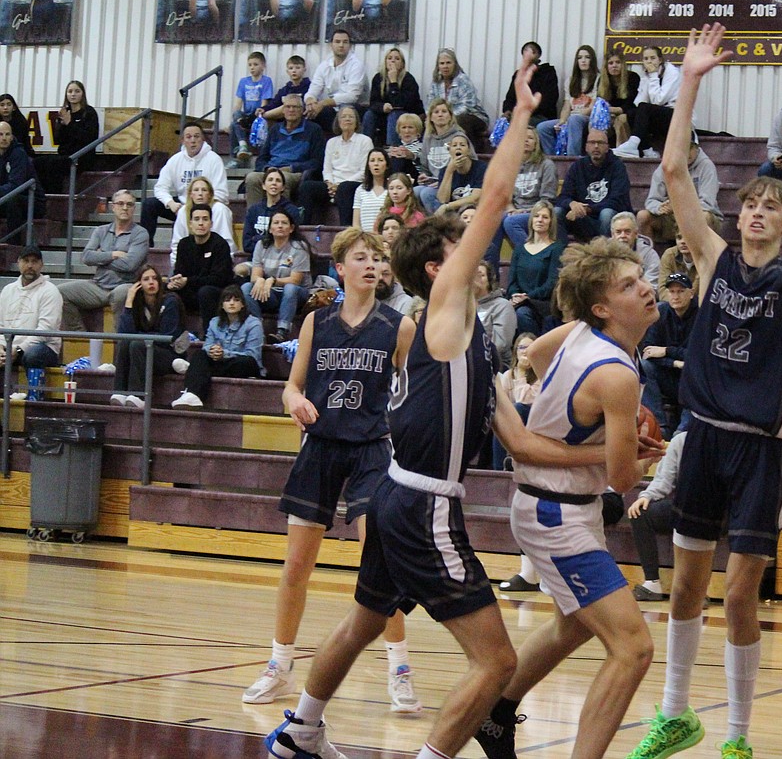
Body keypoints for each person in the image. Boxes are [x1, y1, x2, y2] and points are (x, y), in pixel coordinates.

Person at [263, 64, 631, 759]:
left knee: (365, 621)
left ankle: (302, 732)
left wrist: (607, 459)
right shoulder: (443, 311)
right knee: (494, 664)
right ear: (440, 268)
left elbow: (520, 443)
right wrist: (520, 116)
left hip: (404, 495)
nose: (478, 244)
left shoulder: (474, 352)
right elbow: (493, 197)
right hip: (425, 503)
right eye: (460, 242)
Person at [624, 24, 782, 759]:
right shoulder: (713, 256)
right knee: (687, 587)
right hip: (704, 436)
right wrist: (689, 80)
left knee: (738, 595)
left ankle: (737, 736)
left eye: (768, 207)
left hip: (762, 451)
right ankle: (674, 714)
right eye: (749, 204)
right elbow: (672, 168)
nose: (754, 212)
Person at [474, 238, 661, 759]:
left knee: (576, 623)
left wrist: (585, 423)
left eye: (641, 276)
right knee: (633, 648)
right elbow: (623, 479)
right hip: (556, 512)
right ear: (602, 308)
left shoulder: (581, 332)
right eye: (629, 285)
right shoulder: (616, 374)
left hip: (554, 504)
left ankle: (496, 712)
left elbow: (533, 354)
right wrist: (654, 456)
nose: (646, 287)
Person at [243, 228, 422, 719]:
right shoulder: (316, 322)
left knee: (377, 563)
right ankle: (280, 665)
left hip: (372, 450)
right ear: (340, 268)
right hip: (321, 447)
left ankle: (399, 669)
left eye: (377, 258)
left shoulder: (398, 326)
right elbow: (292, 386)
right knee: (296, 565)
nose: (371, 265)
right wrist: (296, 400)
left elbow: (412, 395)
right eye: (361, 258)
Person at [56, 190, 149, 332]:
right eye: (121, 203)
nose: (125, 207)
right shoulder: (101, 231)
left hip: (125, 284)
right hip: (98, 286)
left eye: (129, 204)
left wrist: (100, 257)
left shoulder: (140, 233)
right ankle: (80, 335)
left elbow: (130, 265)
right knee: (60, 292)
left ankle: (121, 339)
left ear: (134, 208)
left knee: (121, 294)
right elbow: (86, 257)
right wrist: (112, 255)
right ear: (113, 207)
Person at [171, 285, 264, 409]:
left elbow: (253, 355)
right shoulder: (215, 322)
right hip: (221, 362)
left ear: (243, 305)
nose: (232, 303)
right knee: (200, 354)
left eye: (236, 300)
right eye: (227, 300)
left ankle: (195, 370)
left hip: (245, 365)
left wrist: (223, 354)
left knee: (246, 362)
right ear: (222, 305)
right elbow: (208, 345)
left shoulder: (254, 324)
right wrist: (211, 350)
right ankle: (193, 395)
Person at [110, 266, 187, 409]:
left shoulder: (170, 301)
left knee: (137, 344)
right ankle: (120, 392)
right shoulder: (138, 303)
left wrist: (138, 337)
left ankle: (139, 395)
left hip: (170, 354)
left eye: (154, 279)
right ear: (138, 284)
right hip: (145, 352)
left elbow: (166, 338)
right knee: (127, 343)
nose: (151, 282)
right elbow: (123, 335)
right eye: (146, 279)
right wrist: (128, 303)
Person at [140, 122, 228, 247]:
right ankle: (145, 246)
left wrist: (202, 205)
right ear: (182, 141)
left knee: (218, 208)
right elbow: (160, 188)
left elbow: (222, 193)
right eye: (189, 137)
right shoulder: (175, 160)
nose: (193, 140)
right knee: (149, 204)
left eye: (196, 136)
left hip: (206, 206)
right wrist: (171, 203)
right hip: (181, 205)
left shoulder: (214, 159)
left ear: (202, 139)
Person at [627, 424, 689, 602]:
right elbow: (663, 479)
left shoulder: (729, 441)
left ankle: (697, 589)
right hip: (685, 507)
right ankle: (652, 583)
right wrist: (647, 495)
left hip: (721, 511)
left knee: (699, 516)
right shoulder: (681, 440)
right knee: (640, 512)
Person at [246, 94, 326, 221]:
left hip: (295, 172)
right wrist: (267, 169)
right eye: (288, 107)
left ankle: (282, 220)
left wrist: (291, 168)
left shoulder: (314, 130)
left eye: (295, 107)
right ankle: (255, 219)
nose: (291, 110)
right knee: (252, 178)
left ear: (302, 110)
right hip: (272, 170)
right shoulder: (274, 130)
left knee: (283, 180)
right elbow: (261, 158)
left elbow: (317, 161)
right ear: (283, 110)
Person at [490, 126, 558, 273]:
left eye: (530, 138)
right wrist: (510, 208)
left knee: (510, 222)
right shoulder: (511, 166)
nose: (526, 141)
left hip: (538, 210)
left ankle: (535, 257)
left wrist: (527, 210)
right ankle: (491, 272)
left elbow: (547, 200)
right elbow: (505, 195)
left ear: (536, 143)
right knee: (495, 219)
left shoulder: (546, 165)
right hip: (516, 210)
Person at [640, 271, 696, 440]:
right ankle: (659, 426)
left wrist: (666, 350)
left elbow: (698, 356)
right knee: (644, 365)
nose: (675, 296)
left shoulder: (701, 314)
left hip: (691, 378)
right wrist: (676, 363)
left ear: (691, 293)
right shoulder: (660, 312)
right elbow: (649, 352)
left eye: (680, 291)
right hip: (668, 374)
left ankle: (682, 432)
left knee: (697, 372)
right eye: (672, 291)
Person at [242, 207, 310, 344]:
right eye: (276, 223)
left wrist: (271, 281)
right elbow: (254, 276)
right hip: (270, 293)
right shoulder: (262, 245)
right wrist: (260, 281)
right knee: (246, 287)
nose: (280, 226)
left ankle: (282, 331)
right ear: (270, 228)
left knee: (290, 288)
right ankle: (258, 330)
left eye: (284, 223)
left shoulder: (299, 247)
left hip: (297, 294)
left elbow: (295, 280)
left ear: (291, 228)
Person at [640, 132, 722, 242]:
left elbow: (707, 204)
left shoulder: (706, 166)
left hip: (698, 216)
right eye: (683, 148)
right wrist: (660, 208)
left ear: (697, 148)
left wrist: (679, 207)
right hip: (672, 217)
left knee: (705, 217)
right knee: (643, 216)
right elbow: (651, 200)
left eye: (691, 148)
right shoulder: (665, 167)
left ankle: (701, 257)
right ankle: (648, 255)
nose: (687, 153)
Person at [167, 203, 234, 334]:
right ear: (190, 223)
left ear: (211, 223)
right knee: (169, 293)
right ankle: (173, 335)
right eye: (197, 219)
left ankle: (208, 334)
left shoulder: (220, 244)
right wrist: (175, 282)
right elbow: (179, 272)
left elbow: (219, 279)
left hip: (215, 291)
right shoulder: (184, 244)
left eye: (205, 219)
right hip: (191, 290)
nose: (201, 223)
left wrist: (188, 281)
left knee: (205, 292)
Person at [555, 129, 632, 241]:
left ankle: (604, 254)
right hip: (580, 217)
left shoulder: (617, 166)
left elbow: (618, 201)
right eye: (592, 142)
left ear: (607, 147)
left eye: (600, 143)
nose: (596, 146)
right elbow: (563, 196)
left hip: (605, 217)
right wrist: (572, 204)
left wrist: (588, 209)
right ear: (586, 147)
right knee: (557, 212)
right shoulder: (577, 167)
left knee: (606, 213)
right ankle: (559, 253)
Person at [0, 247, 62, 385]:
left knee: (33, 355)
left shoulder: (50, 291)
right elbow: (1, 325)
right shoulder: (7, 290)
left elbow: (45, 330)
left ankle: (35, 398)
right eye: (26, 261)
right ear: (18, 263)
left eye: (34, 262)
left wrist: (18, 349)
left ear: (41, 265)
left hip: (43, 347)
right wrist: (1, 347)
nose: (30, 266)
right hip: (10, 347)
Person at [613, 46, 681, 160]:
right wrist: (648, 78)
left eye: (653, 58)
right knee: (632, 113)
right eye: (646, 58)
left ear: (660, 60)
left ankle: (633, 143)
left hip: (676, 116)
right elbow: (640, 101)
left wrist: (653, 75)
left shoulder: (672, 72)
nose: (649, 61)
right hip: (657, 116)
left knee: (644, 108)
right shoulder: (646, 74)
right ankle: (647, 150)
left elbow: (658, 101)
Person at [34, 80, 101, 193]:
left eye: (77, 91)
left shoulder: (89, 112)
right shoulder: (65, 112)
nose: (73, 94)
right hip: (65, 154)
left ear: (82, 94)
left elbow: (89, 138)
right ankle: (45, 195)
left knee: (53, 165)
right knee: (38, 162)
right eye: (70, 91)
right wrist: (61, 125)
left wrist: (70, 123)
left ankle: (55, 196)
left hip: (82, 157)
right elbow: (58, 140)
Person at [508, 200, 563, 336]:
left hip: (542, 303)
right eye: (537, 216)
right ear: (531, 220)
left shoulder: (556, 248)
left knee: (522, 313)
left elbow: (551, 283)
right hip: (520, 301)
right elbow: (512, 282)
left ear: (551, 222)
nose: (540, 220)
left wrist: (528, 297)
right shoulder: (520, 249)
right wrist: (515, 295)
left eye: (545, 217)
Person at [536, 45, 598, 155]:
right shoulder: (570, 80)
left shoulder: (599, 78)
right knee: (542, 127)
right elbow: (566, 105)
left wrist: (573, 117)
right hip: (571, 117)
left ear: (592, 60)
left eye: (587, 57)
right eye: (580, 58)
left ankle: (571, 160)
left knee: (574, 120)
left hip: (588, 118)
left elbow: (593, 105)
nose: (583, 60)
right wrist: (562, 121)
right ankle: (553, 159)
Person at [305, 29, 368, 136]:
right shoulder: (324, 66)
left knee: (343, 111)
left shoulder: (356, 65)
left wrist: (322, 103)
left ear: (350, 46)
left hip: (353, 108)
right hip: (331, 109)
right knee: (307, 113)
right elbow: (313, 90)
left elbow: (352, 96)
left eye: (345, 42)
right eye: (337, 42)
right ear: (331, 45)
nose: (341, 45)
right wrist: (310, 102)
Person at [491, 331, 539, 472]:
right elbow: (502, 405)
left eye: (530, 348)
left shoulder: (542, 374)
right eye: (522, 348)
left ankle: (502, 466)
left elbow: (525, 401)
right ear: (515, 351)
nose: (525, 352)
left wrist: (522, 373)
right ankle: (498, 468)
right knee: (495, 417)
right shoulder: (507, 375)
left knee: (518, 408)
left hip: (534, 419)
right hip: (514, 419)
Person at [320, 105, 373, 227]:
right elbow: (327, 169)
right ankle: (305, 231)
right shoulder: (331, 142)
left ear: (356, 122)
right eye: (343, 117)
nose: (347, 119)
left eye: (351, 117)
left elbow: (364, 172)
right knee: (308, 187)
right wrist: (330, 184)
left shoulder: (365, 141)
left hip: (354, 184)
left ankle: (346, 230)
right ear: (338, 122)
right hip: (333, 185)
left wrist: (339, 185)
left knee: (345, 188)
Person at [362, 47, 424, 147]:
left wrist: (393, 82)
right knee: (369, 115)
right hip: (384, 115)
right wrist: (382, 107)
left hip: (406, 115)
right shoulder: (378, 78)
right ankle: (365, 147)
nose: (393, 61)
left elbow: (401, 104)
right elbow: (373, 103)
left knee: (394, 115)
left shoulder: (408, 79)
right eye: (390, 58)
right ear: (385, 61)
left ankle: (393, 150)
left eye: (397, 58)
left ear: (402, 63)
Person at [168, 176, 234, 268]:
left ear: (210, 194)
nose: (200, 194)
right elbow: (176, 242)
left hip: (215, 261)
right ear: (190, 194)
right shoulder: (183, 211)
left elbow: (227, 242)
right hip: (188, 262)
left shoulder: (219, 209)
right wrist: (176, 266)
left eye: (204, 190)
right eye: (196, 190)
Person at [426, 47, 490, 140]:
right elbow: (430, 104)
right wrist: (433, 116)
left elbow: (467, 106)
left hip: (473, 116)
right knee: (424, 119)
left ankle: (468, 152)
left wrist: (448, 117)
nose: (445, 66)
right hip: (446, 116)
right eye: (442, 63)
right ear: (438, 66)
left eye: (448, 63)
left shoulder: (463, 80)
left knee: (460, 121)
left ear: (455, 64)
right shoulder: (435, 82)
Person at [0, 120, 46, 242]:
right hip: (7, 197)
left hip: (32, 200)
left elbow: (15, 186)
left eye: (7, 134)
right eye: (0, 134)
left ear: (12, 137)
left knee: (12, 200)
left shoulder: (18, 153)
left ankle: (13, 244)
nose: (4, 138)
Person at [243, 167, 304, 256]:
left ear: (283, 187)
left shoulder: (291, 210)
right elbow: (247, 245)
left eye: (278, 181)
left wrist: (258, 238)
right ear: (263, 186)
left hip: (282, 258)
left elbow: (290, 242)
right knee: (240, 270)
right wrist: (274, 240)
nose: (274, 183)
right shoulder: (253, 210)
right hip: (256, 258)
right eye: (270, 180)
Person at [229, 52, 276, 167]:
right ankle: (242, 148)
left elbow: (264, 103)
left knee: (235, 126)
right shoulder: (243, 82)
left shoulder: (266, 81)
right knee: (234, 123)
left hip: (257, 116)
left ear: (263, 66)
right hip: (245, 116)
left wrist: (260, 113)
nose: (252, 67)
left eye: (255, 64)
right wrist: (235, 116)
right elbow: (238, 103)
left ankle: (240, 154)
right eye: (250, 65)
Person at [424, 132, 486, 216]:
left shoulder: (481, 167)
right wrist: (449, 171)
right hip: (453, 212)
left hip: (474, 210)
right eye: (454, 145)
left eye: (462, 145)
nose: (458, 148)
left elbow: (475, 198)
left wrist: (448, 206)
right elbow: (442, 199)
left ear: (468, 150)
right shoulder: (445, 170)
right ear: (450, 151)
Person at [502, 41, 560, 126]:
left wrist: (526, 111)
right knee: (501, 123)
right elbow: (510, 97)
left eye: (533, 51)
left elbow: (550, 100)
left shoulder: (548, 73)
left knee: (520, 124)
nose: (529, 54)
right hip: (518, 114)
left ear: (539, 55)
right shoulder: (518, 74)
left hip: (541, 116)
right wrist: (508, 110)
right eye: (526, 51)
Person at [475, 260, 516, 366]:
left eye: (481, 275)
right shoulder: (462, 306)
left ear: (490, 280)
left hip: (496, 363)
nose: (476, 279)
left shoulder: (502, 306)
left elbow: (501, 344)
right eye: (473, 275)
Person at [597, 51, 640, 147]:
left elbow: (631, 103)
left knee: (620, 120)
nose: (614, 66)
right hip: (610, 114)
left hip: (629, 113)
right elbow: (600, 102)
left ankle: (623, 154)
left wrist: (610, 110)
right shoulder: (602, 81)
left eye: (618, 62)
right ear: (606, 66)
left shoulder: (633, 77)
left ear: (623, 64)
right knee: (597, 122)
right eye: (610, 63)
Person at [611, 211, 660, 288]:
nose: (623, 236)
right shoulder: (602, 254)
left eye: (627, 232)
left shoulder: (649, 254)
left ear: (636, 234)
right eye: (618, 232)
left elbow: (652, 285)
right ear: (612, 235)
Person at [261, 55, 312, 123]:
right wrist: (263, 109)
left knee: (287, 107)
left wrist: (263, 115)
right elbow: (273, 104)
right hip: (283, 123)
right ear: (287, 71)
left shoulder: (310, 88)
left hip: (303, 121)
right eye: (291, 68)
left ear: (304, 69)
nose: (294, 71)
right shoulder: (284, 90)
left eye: (297, 68)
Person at [349, 148, 390, 231]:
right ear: (368, 165)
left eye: (380, 160)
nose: (376, 164)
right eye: (372, 160)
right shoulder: (360, 189)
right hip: (365, 239)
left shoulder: (392, 188)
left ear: (387, 165)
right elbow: (356, 224)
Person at [657, 221, 700, 300]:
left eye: (687, 237)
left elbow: (703, 294)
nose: (683, 242)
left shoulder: (706, 258)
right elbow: (662, 290)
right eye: (679, 237)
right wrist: (676, 303)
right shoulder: (669, 255)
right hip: (674, 304)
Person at [387, 111, 424, 181]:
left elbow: (424, 162)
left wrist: (412, 156)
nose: (407, 131)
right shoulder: (393, 149)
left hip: (416, 178)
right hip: (398, 175)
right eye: (404, 127)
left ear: (418, 130)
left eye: (410, 127)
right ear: (399, 131)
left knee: (400, 159)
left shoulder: (423, 147)